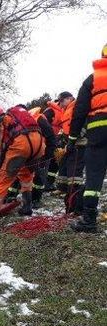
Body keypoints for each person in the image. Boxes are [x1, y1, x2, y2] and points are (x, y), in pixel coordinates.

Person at [0, 106, 45, 229]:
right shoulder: (17, 119)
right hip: (39, 144)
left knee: (3, 181)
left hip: (22, 145)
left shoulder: (0, 121)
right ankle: (27, 208)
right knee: (26, 176)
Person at [69, 44, 107, 233]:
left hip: (98, 133)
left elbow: (79, 111)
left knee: (94, 176)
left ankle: (89, 220)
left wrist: (72, 138)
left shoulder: (92, 79)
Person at [43, 91, 75, 191]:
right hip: (49, 140)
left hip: (60, 140)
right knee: (47, 162)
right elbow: (43, 125)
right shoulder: (50, 111)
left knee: (57, 161)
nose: (61, 104)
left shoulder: (66, 110)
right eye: (60, 102)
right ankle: (45, 183)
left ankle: (50, 183)